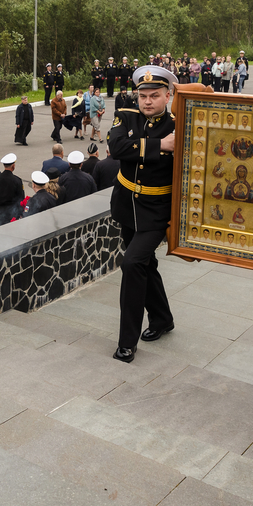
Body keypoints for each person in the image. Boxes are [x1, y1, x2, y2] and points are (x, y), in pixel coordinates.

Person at [109, 65, 179, 363]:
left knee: (132, 264)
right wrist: (159, 145)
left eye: (154, 96)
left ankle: (127, 342)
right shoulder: (126, 116)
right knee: (146, 265)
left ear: (168, 95)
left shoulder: (180, 125)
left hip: (156, 211)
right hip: (127, 205)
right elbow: (115, 147)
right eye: (142, 95)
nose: (147, 101)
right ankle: (162, 319)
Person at [0, 153, 25, 225]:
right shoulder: (17, 180)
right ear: (13, 165)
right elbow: (20, 198)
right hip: (12, 213)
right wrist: (20, 213)